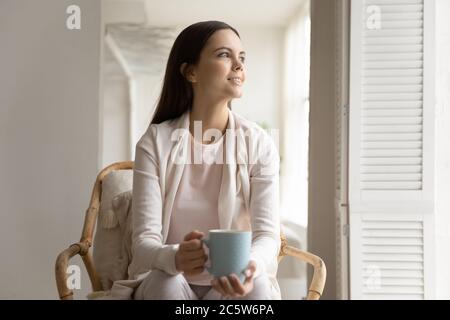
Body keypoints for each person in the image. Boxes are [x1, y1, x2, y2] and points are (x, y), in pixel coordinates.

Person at [129, 21, 281, 300]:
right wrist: (174, 258)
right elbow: (143, 244)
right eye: (224, 55)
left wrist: (249, 268)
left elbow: (268, 236)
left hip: (231, 286)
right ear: (191, 72)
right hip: (169, 280)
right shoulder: (154, 142)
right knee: (167, 284)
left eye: (242, 57)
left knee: (259, 288)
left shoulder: (259, 143)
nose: (239, 66)